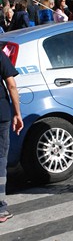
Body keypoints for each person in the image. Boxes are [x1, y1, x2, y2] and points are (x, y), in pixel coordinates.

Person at [0, 48, 24, 222]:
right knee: (0, 159)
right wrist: (17, 113)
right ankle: (0, 208)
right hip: (1, 115)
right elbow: (12, 85)